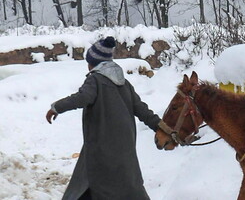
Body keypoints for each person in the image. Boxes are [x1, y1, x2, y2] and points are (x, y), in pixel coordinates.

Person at [45, 36, 172, 200]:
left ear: (94, 63)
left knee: (93, 186)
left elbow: (82, 97)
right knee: (127, 188)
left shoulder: (95, 80)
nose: (87, 65)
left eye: (88, 61)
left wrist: (56, 107)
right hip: (125, 148)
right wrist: (161, 127)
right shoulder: (124, 84)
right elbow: (142, 110)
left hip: (101, 148)